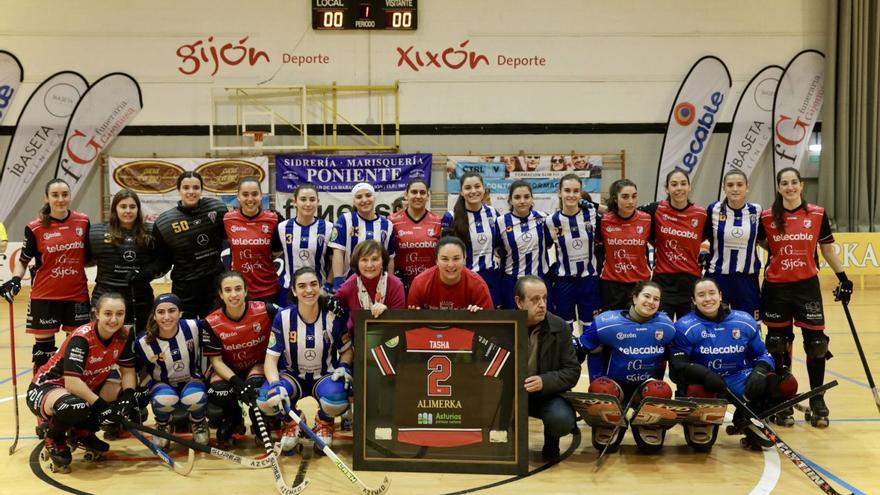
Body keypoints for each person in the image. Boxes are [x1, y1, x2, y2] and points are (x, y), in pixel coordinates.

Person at [757, 167, 852, 428]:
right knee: (777, 343)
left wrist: (843, 278)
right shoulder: (766, 217)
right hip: (776, 287)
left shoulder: (817, 214)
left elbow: (827, 249)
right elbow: (764, 244)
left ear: (801, 185)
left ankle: (817, 398)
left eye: (794, 183)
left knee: (817, 343)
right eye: (784, 183)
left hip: (807, 286)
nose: (790, 187)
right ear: (778, 187)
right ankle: (781, 397)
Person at [669, 278, 796, 449]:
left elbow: (763, 354)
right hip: (705, 383)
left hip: (737, 378)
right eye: (701, 295)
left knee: (784, 384)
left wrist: (760, 370)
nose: (708, 299)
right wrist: (705, 375)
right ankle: (699, 422)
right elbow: (677, 369)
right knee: (695, 391)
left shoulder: (743, 320)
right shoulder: (684, 326)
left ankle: (749, 415)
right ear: (693, 300)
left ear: (720, 295)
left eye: (712, 293)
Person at [26, 293, 138, 471]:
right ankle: (54, 438)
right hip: (49, 387)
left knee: (131, 396)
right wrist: (102, 405)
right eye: (108, 313)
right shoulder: (82, 338)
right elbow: (72, 383)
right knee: (76, 405)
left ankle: (83, 433)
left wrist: (128, 396)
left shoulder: (123, 335)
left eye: (120, 314)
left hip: (84, 387)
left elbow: (128, 372)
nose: (114, 319)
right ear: (97, 314)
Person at [257, 267, 353, 453]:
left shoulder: (333, 317)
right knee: (265, 400)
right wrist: (276, 384)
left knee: (337, 400)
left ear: (320, 286)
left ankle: (324, 422)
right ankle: (292, 422)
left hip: (324, 376)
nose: (308, 290)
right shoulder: (283, 318)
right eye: (302, 286)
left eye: (313, 284)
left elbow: (347, 350)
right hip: (292, 376)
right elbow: (270, 359)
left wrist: (343, 366)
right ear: (293, 291)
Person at [1, 179, 91, 375]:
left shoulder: (83, 221)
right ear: (47, 198)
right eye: (55, 195)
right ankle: (43, 392)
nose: (61, 199)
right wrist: (16, 279)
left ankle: (72, 394)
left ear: (70, 195)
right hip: (45, 297)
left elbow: (90, 256)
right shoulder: (35, 227)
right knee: (44, 354)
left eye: (65, 194)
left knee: (76, 351)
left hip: (77, 296)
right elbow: (23, 260)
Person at [579, 282, 676, 450]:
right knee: (601, 388)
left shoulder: (667, 326)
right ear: (634, 297)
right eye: (646, 296)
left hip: (645, 389)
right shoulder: (606, 323)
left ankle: (646, 423)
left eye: (656, 299)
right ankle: (608, 421)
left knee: (661, 390)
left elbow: (677, 358)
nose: (651, 302)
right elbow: (581, 349)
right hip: (614, 387)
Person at [200, 271, 280, 446]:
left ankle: (259, 419)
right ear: (221, 294)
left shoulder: (266, 310)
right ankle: (234, 417)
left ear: (246, 291)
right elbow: (216, 362)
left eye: (238, 289)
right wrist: (237, 382)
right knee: (219, 391)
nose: (234, 294)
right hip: (227, 369)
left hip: (257, 366)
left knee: (256, 388)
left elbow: (293, 315)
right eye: (228, 290)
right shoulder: (212, 322)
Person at [515, 276, 579, 461]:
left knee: (562, 421)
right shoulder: (506, 325)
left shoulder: (560, 326)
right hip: (512, 394)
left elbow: (572, 371)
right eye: (535, 300)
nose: (542, 304)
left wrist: (544, 381)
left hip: (547, 395)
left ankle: (551, 442)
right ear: (519, 302)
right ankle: (509, 446)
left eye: (544, 298)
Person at [135, 293, 208, 447]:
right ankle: (163, 424)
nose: (166, 317)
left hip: (191, 381)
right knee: (164, 400)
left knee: (194, 397)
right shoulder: (143, 342)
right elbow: (137, 370)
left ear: (180, 313)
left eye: (172, 311)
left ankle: (198, 422)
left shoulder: (193, 327)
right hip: (162, 385)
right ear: (154, 315)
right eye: (161, 312)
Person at [153, 171, 228, 318]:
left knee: (214, 330)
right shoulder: (165, 223)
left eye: (196, 187)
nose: (191, 192)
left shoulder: (217, 209)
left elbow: (229, 236)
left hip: (214, 284)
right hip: (185, 288)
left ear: (201, 189)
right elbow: (163, 259)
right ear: (179, 190)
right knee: (186, 331)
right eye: (186, 187)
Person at [89, 189, 162, 335]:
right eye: (123, 206)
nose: (128, 211)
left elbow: (162, 261)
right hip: (105, 298)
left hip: (141, 300)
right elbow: (86, 259)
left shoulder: (152, 231)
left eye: (132, 207)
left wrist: (146, 274)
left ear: (138, 209)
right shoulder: (96, 232)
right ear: (115, 208)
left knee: (141, 344)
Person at [639, 169, 707, 319]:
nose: (679, 188)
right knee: (662, 331)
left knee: (689, 332)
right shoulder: (655, 209)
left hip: (691, 282)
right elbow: (626, 211)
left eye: (683, 184)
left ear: (689, 187)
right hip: (663, 282)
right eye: (674, 184)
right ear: (667, 188)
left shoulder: (701, 214)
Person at [703, 170, 763, 320]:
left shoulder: (757, 211)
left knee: (750, 324)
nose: (735, 189)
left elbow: (763, 240)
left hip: (747, 279)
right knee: (715, 323)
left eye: (739, 184)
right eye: (730, 185)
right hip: (718, 278)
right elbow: (700, 237)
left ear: (747, 187)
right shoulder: (713, 210)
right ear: (724, 188)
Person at [548, 174, 601, 338]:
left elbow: (609, 210)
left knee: (591, 329)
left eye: (576, 191)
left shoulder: (591, 213)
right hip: (564, 282)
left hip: (588, 281)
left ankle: (591, 361)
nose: (571, 195)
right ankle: (569, 363)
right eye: (567, 190)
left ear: (581, 193)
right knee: (565, 331)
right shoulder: (551, 220)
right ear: (559, 193)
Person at [441, 171, 501, 306]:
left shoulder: (493, 213)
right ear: (461, 192)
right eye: (468, 188)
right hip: (462, 278)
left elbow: (498, 246)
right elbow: (445, 252)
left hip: (491, 278)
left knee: (490, 322)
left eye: (477, 186)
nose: (473, 191)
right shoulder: (450, 217)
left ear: (483, 189)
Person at [224, 177, 284, 304]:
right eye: (245, 194)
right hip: (239, 291)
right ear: (238, 197)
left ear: (261, 196)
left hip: (268, 289)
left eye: (255, 194)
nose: (250, 199)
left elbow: (280, 249)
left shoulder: (273, 219)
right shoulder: (227, 219)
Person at [596, 179, 652, 311]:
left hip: (639, 283)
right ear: (615, 199)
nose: (631, 201)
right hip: (611, 284)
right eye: (625, 197)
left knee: (637, 325)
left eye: (634, 196)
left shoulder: (647, 219)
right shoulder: (604, 221)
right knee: (613, 327)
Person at [496, 180, 552, 309]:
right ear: (510, 200)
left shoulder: (544, 218)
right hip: (512, 282)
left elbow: (549, 244)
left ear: (532, 199)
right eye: (517, 197)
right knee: (514, 323)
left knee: (541, 320)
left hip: (540, 279)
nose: (522, 201)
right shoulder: (500, 222)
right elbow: (497, 249)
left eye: (526, 197)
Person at [329, 182, 396, 292]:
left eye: (368, 195)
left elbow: (390, 258)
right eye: (359, 197)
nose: (364, 200)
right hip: (349, 284)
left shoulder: (387, 224)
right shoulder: (345, 220)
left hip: (378, 285)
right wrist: (338, 281)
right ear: (354, 201)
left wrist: (390, 282)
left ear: (374, 198)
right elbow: (338, 253)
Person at [407, 236, 493, 312]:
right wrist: (415, 314)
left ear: (464, 259)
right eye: (445, 259)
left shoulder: (478, 285)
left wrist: (479, 316)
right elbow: (410, 324)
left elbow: (489, 325)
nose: (451, 265)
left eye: (456, 258)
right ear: (436, 260)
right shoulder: (420, 283)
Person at [335, 240, 405, 330]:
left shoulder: (396, 285)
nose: (369, 265)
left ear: (383, 261)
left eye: (375, 259)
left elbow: (400, 324)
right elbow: (331, 307)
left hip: (389, 336)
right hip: (357, 338)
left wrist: (388, 313)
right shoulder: (349, 285)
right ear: (357, 263)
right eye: (364, 260)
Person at [277, 183, 330, 305]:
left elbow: (333, 260)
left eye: (312, 199)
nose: (308, 204)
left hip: (318, 291)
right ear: (295, 202)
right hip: (289, 290)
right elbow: (275, 253)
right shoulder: (282, 227)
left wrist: (328, 286)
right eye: (303, 199)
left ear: (318, 201)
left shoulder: (328, 228)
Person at [389, 178, 441, 291]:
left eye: (422, 192)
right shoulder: (391, 221)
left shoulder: (438, 221)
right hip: (401, 285)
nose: (418, 196)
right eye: (414, 192)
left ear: (428, 196)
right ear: (406, 195)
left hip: (431, 284)